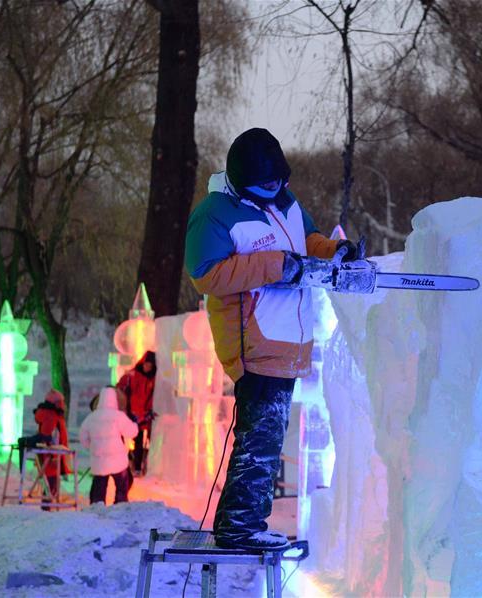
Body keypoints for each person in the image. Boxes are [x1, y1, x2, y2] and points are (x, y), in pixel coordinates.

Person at [184, 127, 361, 550]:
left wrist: (331, 251)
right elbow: (206, 275)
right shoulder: (216, 213)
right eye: (265, 184)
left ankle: (247, 524)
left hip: (289, 341)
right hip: (253, 342)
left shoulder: (286, 203)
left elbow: (308, 241)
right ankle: (239, 527)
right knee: (258, 441)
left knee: (267, 439)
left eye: (278, 181)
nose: (274, 189)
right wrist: (275, 267)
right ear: (242, 178)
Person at [79, 386, 138, 505]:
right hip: (118, 460)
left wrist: (92, 447)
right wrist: (135, 424)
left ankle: (97, 508)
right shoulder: (118, 416)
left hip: (99, 461)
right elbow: (132, 432)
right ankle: (120, 506)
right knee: (121, 485)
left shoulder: (92, 417)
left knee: (99, 486)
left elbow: (83, 436)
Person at [116, 351, 156, 475]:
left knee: (139, 441)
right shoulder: (132, 376)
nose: (147, 367)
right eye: (146, 364)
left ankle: (137, 466)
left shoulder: (153, 379)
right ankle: (130, 464)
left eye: (150, 365)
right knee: (130, 440)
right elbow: (120, 388)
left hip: (144, 415)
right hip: (132, 414)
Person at [32, 389, 72, 503]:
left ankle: (47, 509)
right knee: (50, 486)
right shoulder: (52, 416)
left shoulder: (51, 414)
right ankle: (47, 511)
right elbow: (49, 438)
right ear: (55, 403)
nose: (63, 404)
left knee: (50, 485)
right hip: (52, 458)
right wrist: (54, 456)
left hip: (51, 456)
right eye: (61, 401)